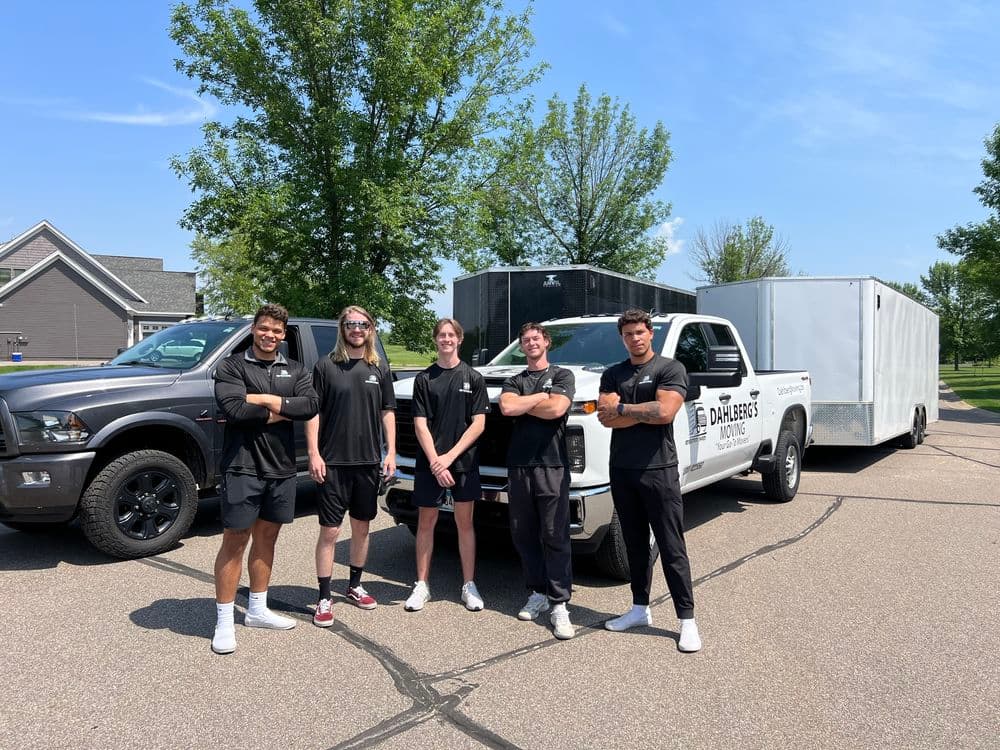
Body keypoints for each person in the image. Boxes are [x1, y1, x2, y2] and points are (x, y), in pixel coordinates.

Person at [211, 303, 319, 655]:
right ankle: (224, 620)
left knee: (267, 538)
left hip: (282, 468)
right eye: (264, 328)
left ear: (283, 334)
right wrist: (282, 409)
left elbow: (309, 406)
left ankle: (257, 609)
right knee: (235, 540)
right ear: (253, 329)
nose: (269, 335)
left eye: (276, 330)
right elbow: (235, 411)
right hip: (242, 467)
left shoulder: (297, 368)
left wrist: (266, 400)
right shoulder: (231, 366)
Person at [596, 309, 701, 652]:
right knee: (635, 545)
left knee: (671, 547)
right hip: (623, 470)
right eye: (628, 334)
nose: (635, 338)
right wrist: (640, 410)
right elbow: (605, 419)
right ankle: (639, 609)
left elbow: (665, 413)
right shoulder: (612, 373)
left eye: (640, 332)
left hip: (659, 469)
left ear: (650, 332)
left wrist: (625, 409)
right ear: (622, 337)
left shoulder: (670, 368)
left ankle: (687, 621)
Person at [308, 305, 396, 626]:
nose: (356, 329)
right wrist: (314, 454)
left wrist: (391, 452)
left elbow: (388, 412)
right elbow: (313, 414)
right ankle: (324, 596)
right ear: (342, 329)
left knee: (362, 528)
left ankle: (355, 586)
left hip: (368, 463)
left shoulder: (379, 368)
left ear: (370, 329)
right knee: (330, 532)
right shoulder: (325, 367)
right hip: (333, 463)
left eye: (362, 324)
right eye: (350, 324)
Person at [403, 319, 489, 612]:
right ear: (435, 340)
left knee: (465, 524)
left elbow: (478, 424)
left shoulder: (474, 378)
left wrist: (449, 459)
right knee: (426, 523)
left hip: (462, 463)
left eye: (451, 334)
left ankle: (469, 585)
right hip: (430, 464)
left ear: (460, 339)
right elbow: (419, 425)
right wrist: (436, 463)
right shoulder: (424, 379)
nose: (446, 339)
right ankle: (422, 585)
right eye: (441, 335)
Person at [498, 322, 576, 640]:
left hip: (552, 465)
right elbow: (506, 407)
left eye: (535, 338)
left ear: (547, 341)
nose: (530, 343)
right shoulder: (514, 379)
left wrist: (525, 403)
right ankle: (537, 592)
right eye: (525, 340)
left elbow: (557, 408)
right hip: (519, 467)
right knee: (524, 534)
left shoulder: (562, 376)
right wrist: (537, 398)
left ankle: (559, 604)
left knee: (555, 535)